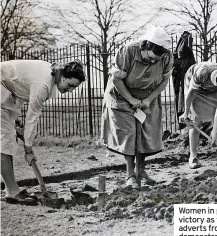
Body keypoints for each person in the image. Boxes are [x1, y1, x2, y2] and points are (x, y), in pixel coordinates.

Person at [1, 59, 85, 205]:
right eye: (70, 85)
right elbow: (32, 117)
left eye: (74, 88)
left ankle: (11, 188)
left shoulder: (51, 76)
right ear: (63, 76)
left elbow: (20, 88)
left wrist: (16, 118)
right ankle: (12, 191)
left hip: (6, 91)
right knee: (4, 141)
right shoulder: (44, 84)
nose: (70, 90)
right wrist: (28, 150)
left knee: (7, 140)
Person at [101, 26, 174, 188]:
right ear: (145, 46)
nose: (154, 62)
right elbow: (117, 79)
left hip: (148, 95)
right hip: (122, 95)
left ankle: (141, 170)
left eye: (157, 59)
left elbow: (164, 81)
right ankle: (129, 174)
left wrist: (148, 99)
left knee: (146, 133)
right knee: (129, 134)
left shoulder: (167, 57)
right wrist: (131, 99)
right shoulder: (128, 51)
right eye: (151, 58)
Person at [179, 62, 217, 169]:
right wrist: (186, 112)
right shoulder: (203, 73)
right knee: (196, 120)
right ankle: (193, 156)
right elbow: (191, 93)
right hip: (194, 87)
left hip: (213, 89)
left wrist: (214, 131)